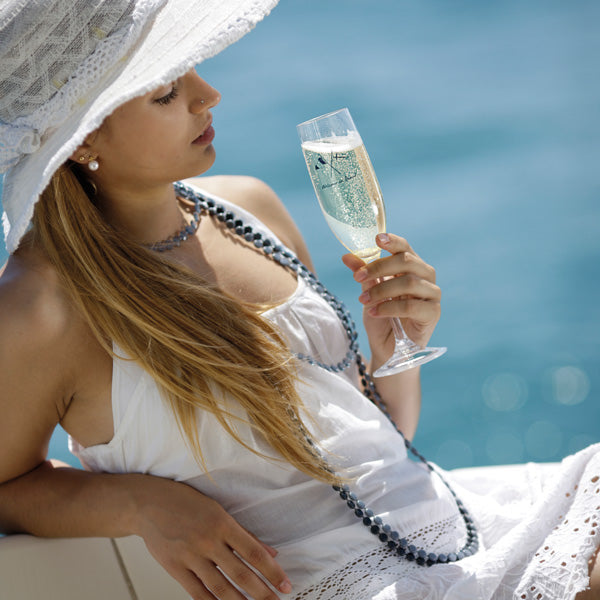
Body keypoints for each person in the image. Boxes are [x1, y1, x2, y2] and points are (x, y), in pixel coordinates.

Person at [0, 1, 598, 599]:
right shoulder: (41, 307)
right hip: (351, 583)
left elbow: (369, 447)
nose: (209, 95)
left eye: (194, 70)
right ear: (82, 138)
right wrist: (140, 504)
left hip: (452, 525)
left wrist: (395, 350)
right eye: (167, 93)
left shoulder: (247, 207)